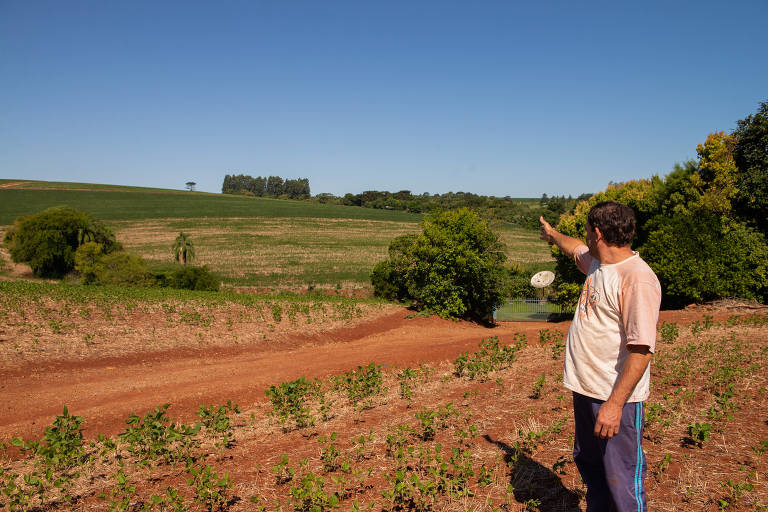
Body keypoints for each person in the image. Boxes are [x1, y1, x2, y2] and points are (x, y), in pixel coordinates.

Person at [539, 201, 661, 512]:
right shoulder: (598, 263)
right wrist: (552, 234)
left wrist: (615, 405)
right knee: (593, 470)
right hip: (586, 389)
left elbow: (642, 349)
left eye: (587, 234)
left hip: (613, 398)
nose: (586, 241)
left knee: (622, 481)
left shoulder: (636, 278)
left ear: (597, 232)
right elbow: (574, 248)